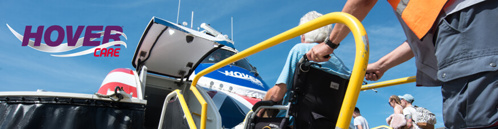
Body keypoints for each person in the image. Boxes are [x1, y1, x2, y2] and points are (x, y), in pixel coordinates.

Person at [305, 0, 498, 128]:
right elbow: (422, 35)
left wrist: (329, 45)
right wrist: (382, 64)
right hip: (466, 20)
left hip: (465, 19)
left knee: (473, 119)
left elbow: (362, 1)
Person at [260, 11, 351, 116]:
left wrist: (262, 103)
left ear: (304, 35)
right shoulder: (340, 65)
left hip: (292, 122)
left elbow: (276, 95)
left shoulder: (300, 50)